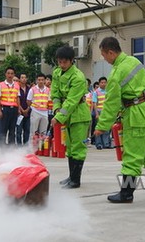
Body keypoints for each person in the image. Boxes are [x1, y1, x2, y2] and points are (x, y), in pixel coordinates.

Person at [94, 37, 145, 204]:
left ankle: (126, 193)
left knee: (132, 156)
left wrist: (102, 126)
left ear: (111, 52)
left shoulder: (116, 73)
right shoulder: (134, 61)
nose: (105, 59)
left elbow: (111, 103)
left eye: (104, 55)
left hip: (136, 115)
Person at [51, 46, 91, 189]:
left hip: (78, 115)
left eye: (64, 62)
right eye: (59, 62)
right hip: (65, 114)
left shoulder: (78, 77)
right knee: (69, 147)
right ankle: (71, 176)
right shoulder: (56, 73)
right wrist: (56, 108)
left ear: (71, 61)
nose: (61, 65)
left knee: (78, 147)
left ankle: (76, 180)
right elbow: (55, 93)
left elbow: (72, 101)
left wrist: (59, 116)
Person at [0, 67, 20, 147]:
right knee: (2, 129)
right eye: (8, 73)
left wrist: (19, 109)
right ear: (5, 74)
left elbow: (17, 98)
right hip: (4, 109)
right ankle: (1, 148)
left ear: (14, 75)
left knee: (12, 130)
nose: (10, 75)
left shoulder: (17, 85)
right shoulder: (0, 85)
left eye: (12, 73)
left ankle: (11, 148)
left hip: (14, 109)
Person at [27, 73, 50, 141]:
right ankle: (31, 148)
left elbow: (50, 101)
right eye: (39, 80)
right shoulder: (32, 89)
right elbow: (28, 101)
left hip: (45, 112)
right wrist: (33, 108)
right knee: (33, 131)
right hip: (35, 111)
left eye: (42, 80)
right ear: (37, 80)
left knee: (43, 132)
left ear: (45, 80)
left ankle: (41, 149)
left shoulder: (48, 90)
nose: (40, 81)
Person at [92, 77, 111, 150]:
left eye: (105, 82)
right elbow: (94, 103)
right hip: (99, 111)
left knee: (107, 128)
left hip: (106, 111)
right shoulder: (96, 92)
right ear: (99, 83)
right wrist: (96, 113)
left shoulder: (108, 91)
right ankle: (99, 144)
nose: (103, 84)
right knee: (99, 128)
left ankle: (106, 144)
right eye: (102, 82)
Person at [16, 73, 31, 146]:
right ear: (19, 79)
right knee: (19, 130)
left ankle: (26, 146)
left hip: (28, 112)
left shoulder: (29, 89)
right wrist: (21, 109)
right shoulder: (17, 88)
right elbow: (16, 100)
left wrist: (27, 109)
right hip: (19, 112)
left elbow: (32, 100)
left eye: (25, 77)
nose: (24, 79)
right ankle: (19, 146)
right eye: (22, 77)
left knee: (27, 130)